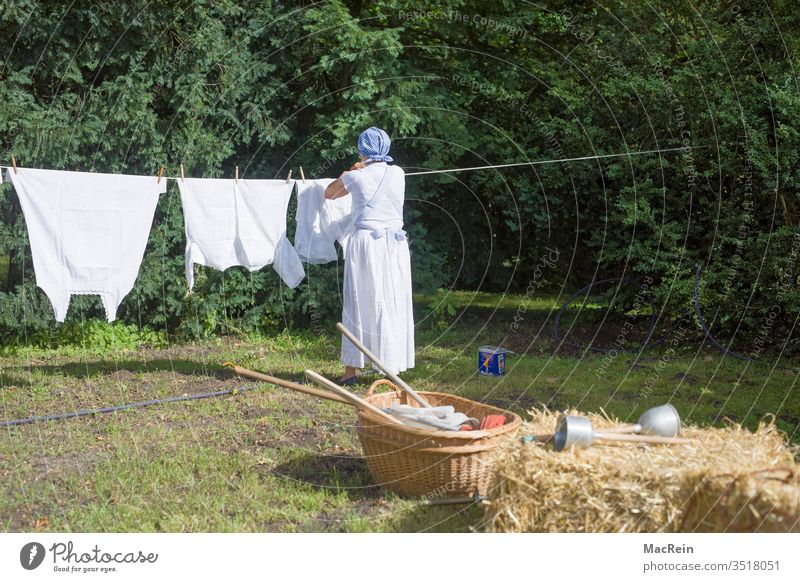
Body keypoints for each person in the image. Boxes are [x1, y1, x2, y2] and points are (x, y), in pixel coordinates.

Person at [324, 127, 414, 384]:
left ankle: (351, 371)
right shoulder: (398, 173)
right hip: (394, 246)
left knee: (359, 302)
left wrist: (349, 172)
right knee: (391, 301)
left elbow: (329, 193)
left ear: (362, 150)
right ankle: (391, 368)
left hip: (367, 245)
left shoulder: (357, 176)